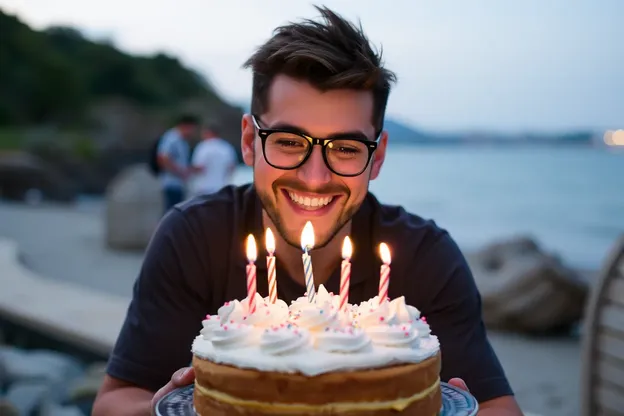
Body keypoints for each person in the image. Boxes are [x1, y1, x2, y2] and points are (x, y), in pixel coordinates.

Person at [93, 6, 523, 416]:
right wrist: (168, 406)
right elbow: (113, 403)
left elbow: (497, 406)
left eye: (347, 148)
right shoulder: (193, 237)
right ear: (248, 141)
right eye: (288, 142)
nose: (315, 177)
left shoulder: (426, 256)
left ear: (377, 157)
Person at [156, 114, 200, 213]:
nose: (193, 132)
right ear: (185, 126)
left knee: (175, 211)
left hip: (179, 184)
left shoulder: (182, 141)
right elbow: (163, 158)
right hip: (171, 183)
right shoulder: (172, 138)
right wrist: (180, 172)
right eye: (192, 128)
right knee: (171, 213)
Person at [188, 123, 237, 197]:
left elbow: (199, 167)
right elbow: (232, 167)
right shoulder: (226, 147)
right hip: (221, 188)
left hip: (204, 188)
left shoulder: (203, 147)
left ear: (208, 133)